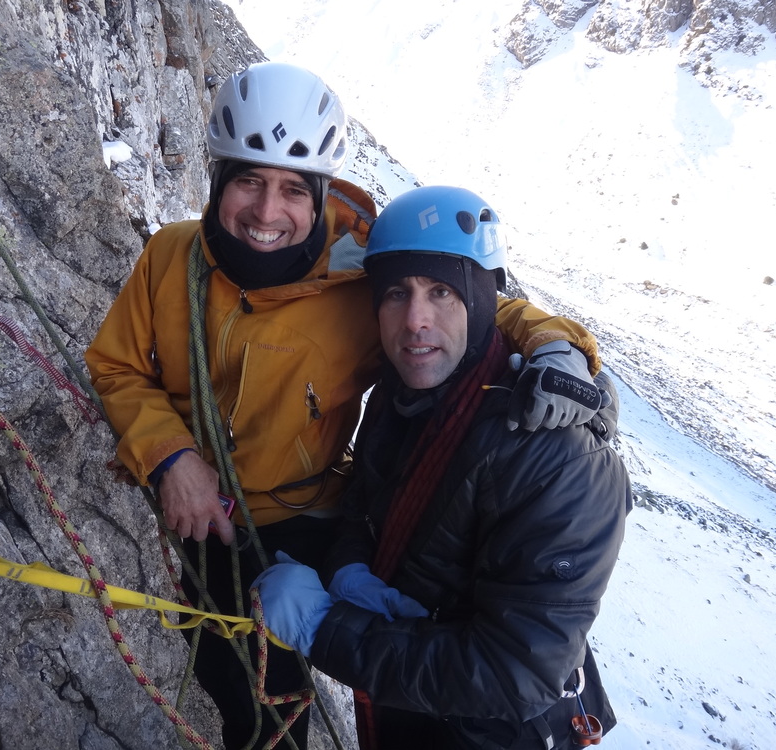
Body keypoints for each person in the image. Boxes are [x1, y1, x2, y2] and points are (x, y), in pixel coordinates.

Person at [86, 62, 609, 750]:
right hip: (195, 512)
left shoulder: (362, 280)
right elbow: (117, 365)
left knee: (278, 704)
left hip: (304, 525)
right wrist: (171, 456)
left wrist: (562, 349)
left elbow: (482, 306)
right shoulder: (170, 257)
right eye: (248, 179)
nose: (267, 213)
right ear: (218, 182)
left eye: (292, 189)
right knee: (219, 670)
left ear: (320, 193)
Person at [254, 185, 632, 750]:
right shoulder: (399, 396)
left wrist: (324, 628)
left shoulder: (558, 457)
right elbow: (364, 506)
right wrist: (351, 570)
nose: (416, 321)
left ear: (482, 300)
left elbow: (513, 676)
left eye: (442, 293)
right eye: (396, 295)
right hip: (408, 713)